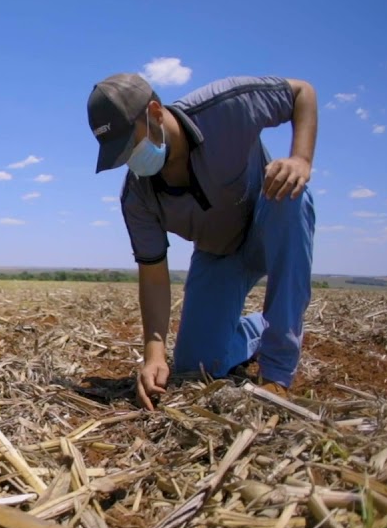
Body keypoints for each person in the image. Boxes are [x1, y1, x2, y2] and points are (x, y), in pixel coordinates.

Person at [86, 73, 318, 410]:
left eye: (130, 145)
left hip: (268, 225)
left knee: (291, 196)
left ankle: (277, 370)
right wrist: (154, 354)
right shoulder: (137, 196)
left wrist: (301, 158)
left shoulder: (225, 108)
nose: (130, 160)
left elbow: (302, 93)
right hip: (219, 254)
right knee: (195, 368)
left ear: (154, 112)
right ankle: (256, 330)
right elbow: (153, 274)